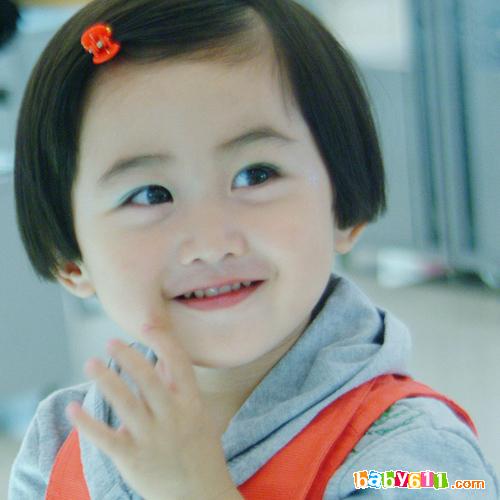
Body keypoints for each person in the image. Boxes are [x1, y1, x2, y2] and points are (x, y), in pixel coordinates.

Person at [8, 0, 499, 498]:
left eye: (256, 175)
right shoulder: (61, 440)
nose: (211, 242)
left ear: (344, 203)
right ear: (72, 260)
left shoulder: (415, 461)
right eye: (151, 195)